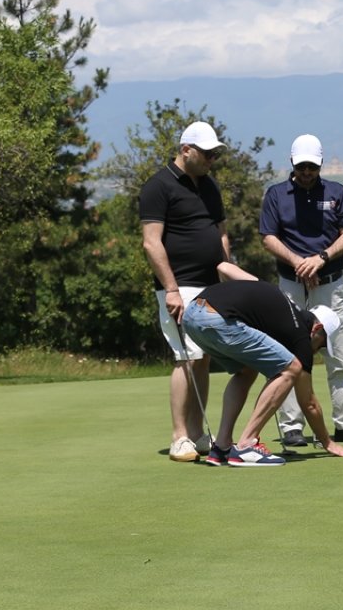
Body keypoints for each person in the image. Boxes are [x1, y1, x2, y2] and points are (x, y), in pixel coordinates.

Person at [181, 263, 343, 467]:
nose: (317, 351)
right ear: (317, 329)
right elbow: (308, 402)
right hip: (218, 320)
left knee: (245, 371)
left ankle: (221, 447)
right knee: (291, 367)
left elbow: (223, 267)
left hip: (192, 316)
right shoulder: (301, 336)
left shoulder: (272, 297)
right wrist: (328, 443)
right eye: (321, 344)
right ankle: (247, 444)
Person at [259, 134, 343, 446]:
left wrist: (320, 260)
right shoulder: (277, 195)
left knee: (340, 353)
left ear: (320, 164)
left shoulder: (336, 192)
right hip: (291, 284)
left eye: (312, 166)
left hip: (330, 282)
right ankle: (292, 427)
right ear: (292, 164)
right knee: (288, 354)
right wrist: (299, 263)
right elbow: (268, 236)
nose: (307, 172)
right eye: (301, 167)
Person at [140, 121, 228, 462]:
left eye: (214, 155)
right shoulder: (158, 186)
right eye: (206, 154)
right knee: (185, 356)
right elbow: (152, 243)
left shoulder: (210, 186)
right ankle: (179, 436)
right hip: (179, 286)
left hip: (210, 283)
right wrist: (171, 288)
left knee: (203, 356)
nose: (211, 160)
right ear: (185, 150)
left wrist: (227, 271)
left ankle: (196, 433)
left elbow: (220, 233)